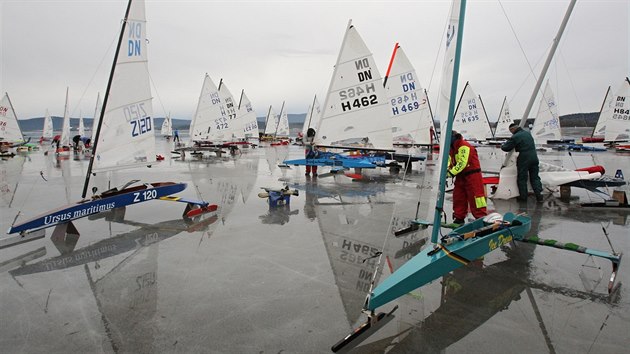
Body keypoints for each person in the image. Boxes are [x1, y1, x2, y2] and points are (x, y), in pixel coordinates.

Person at [448, 131, 487, 224]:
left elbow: (463, 163)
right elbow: (449, 161)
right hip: (460, 176)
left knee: (476, 197)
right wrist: (447, 170)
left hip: (472, 175)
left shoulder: (464, 146)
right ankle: (459, 218)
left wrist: (451, 173)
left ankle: (480, 218)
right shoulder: (451, 148)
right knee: (458, 197)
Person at [501, 123, 543, 202]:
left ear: (513, 129)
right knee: (535, 178)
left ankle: (523, 197)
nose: (511, 133)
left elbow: (506, 148)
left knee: (522, 178)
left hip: (524, 159)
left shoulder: (515, 137)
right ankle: (539, 196)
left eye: (511, 131)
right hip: (534, 158)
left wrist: (502, 145)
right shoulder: (528, 134)